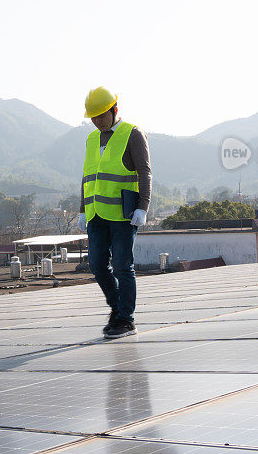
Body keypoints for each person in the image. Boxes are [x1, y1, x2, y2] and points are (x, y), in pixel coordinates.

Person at [78, 87, 152, 339]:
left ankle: (125, 319)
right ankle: (117, 307)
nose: (97, 121)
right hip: (96, 214)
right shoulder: (90, 139)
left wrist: (143, 206)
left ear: (114, 110)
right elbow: (87, 176)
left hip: (123, 214)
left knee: (122, 266)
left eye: (101, 116)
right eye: (93, 117)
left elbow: (144, 171)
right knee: (97, 265)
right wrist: (81, 209)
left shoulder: (132, 133)